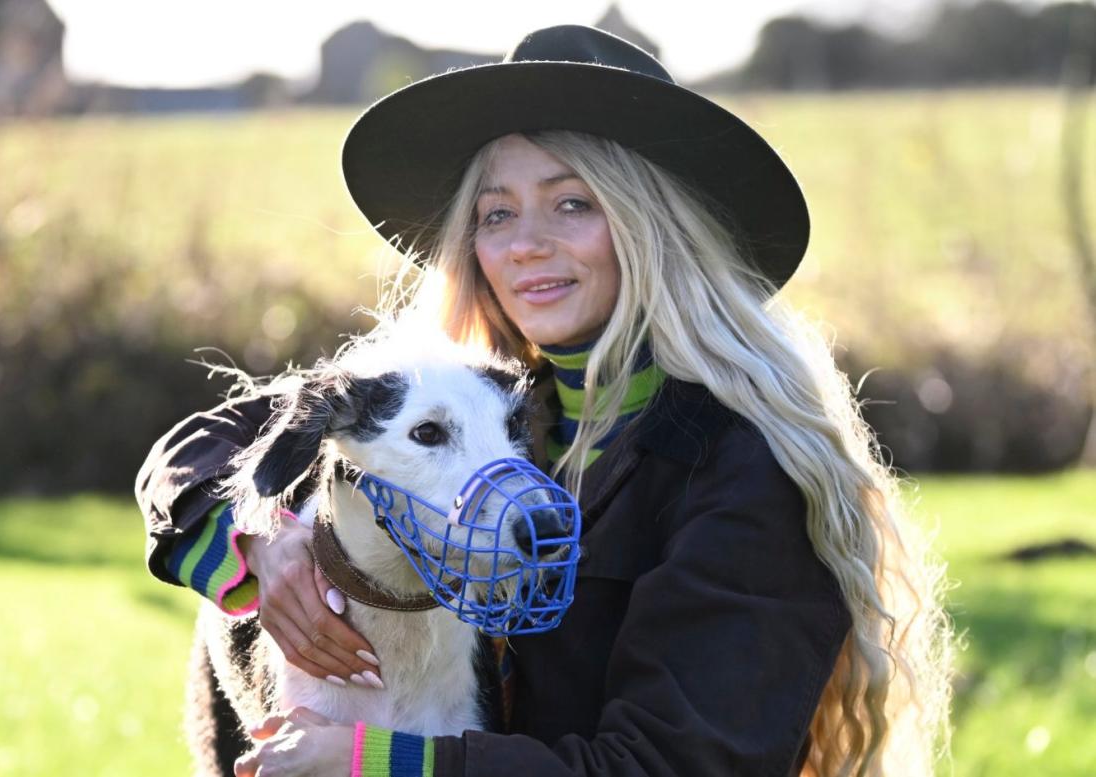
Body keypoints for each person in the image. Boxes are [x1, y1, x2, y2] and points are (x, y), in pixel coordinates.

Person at [135, 24, 954, 777]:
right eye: (497, 213)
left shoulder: (742, 468)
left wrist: (377, 760)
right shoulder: (472, 393)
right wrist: (258, 551)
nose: (527, 244)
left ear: (650, 226)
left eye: (574, 203)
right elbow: (205, 444)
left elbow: (665, 765)